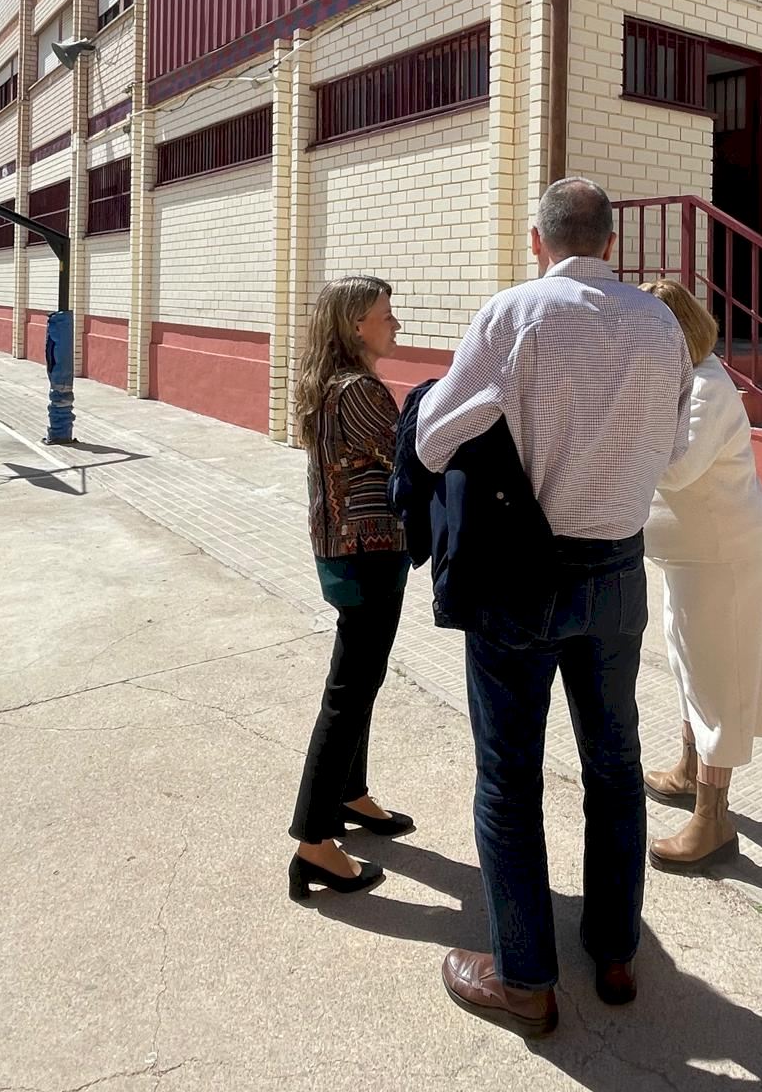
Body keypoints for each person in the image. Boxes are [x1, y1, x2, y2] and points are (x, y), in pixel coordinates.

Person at [416, 179, 693, 1038]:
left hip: (522, 576)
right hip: (617, 570)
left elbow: (432, 439)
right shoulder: (661, 324)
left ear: (538, 240)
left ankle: (525, 980)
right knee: (615, 764)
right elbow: (676, 448)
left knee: (510, 777)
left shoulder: (515, 313)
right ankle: (614, 951)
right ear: (610, 242)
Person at [639, 280, 762, 873]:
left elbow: (677, 470)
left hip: (726, 559)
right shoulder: (683, 382)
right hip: (695, 557)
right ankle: (687, 770)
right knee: (689, 665)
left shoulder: (705, 387)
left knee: (718, 680)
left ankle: (713, 818)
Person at [287, 275, 415, 902]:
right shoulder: (360, 391)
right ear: (356, 325)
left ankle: (350, 793)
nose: (395, 324)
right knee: (349, 692)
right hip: (367, 557)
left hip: (354, 554)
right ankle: (313, 841)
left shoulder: (332, 384)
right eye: (385, 315)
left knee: (361, 680)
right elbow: (409, 460)